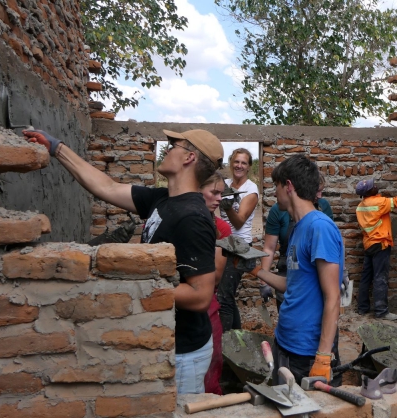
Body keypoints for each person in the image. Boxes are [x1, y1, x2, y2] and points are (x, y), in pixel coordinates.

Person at [22, 128, 222, 395]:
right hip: (163, 340)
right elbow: (107, 187)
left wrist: (134, 286)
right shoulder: (163, 199)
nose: (167, 148)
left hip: (183, 351)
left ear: (189, 157)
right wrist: (57, 147)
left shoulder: (192, 217)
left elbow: (200, 296)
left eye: (174, 144)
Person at [251, 155, 344, 386]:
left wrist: (323, 356)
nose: (274, 192)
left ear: (289, 186)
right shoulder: (297, 228)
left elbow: (333, 296)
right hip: (285, 342)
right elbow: (293, 285)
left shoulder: (319, 227)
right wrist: (255, 271)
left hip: (306, 351)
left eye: (277, 186)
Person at [261, 175, 333, 310]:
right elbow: (269, 248)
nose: (319, 195)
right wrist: (263, 280)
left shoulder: (322, 216)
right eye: (316, 191)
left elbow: (329, 246)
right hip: (287, 267)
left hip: (314, 271)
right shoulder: (279, 211)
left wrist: (341, 271)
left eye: (321, 191)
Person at [354, 176, 397, 320]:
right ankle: (381, 311)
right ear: (369, 192)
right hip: (380, 244)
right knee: (380, 278)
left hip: (369, 245)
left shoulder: (360, 207)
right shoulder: (379, 202)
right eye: (373, 186)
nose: (376, 186)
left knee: (366, 277)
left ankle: (362, 308)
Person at [217, 148, 259, 332]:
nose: (239, 166)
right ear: (230, 163)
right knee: (225, 294)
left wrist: (227, 209)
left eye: (243, 163)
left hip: (240, 248)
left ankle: (225, 344)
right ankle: (236, 336)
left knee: (223, 296)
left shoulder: (250, 190)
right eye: (236, 161)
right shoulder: (224, 184)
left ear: (249, 167)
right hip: (223, 243)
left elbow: (240, 222)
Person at [199, 172, 232, 396]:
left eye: (221, 193)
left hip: (206, 305)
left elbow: (215, 277)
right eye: (214, 192)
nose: (219, 198)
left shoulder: (221, 228)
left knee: (211, 367)